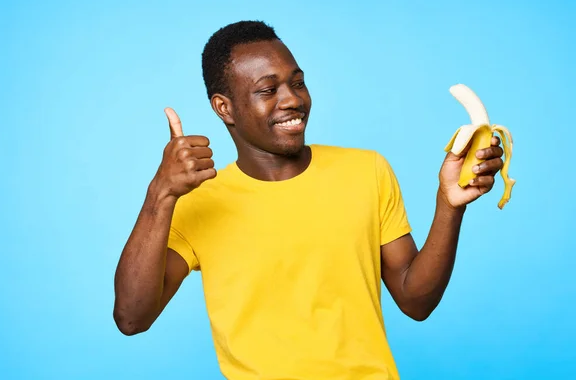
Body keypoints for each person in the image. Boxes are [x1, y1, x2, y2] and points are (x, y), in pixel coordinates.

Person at [113, 20, 505, 379]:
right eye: (268, 90)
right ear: (224, 108)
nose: (292, 100)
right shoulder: (199, 200)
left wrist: (449, 206)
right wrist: (160, 194)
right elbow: (132, 318)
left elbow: (415, 300)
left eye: (297, 83)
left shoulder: (366, 171)